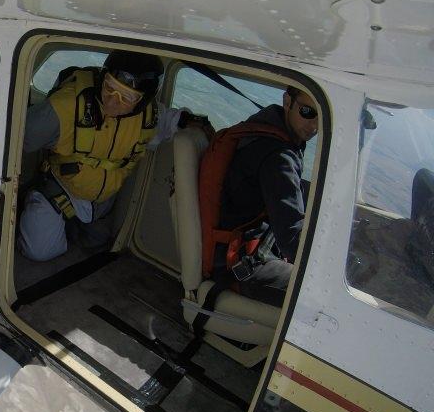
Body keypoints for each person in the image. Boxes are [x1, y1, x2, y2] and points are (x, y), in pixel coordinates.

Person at [19, 50, 211, 261]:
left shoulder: (148, 116)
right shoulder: (64, 107)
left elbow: (173, 120)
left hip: (102, 203)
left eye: (126, 97)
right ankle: (33, 208)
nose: (113, 101)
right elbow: (18, 137)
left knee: (97, 246)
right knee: (40, 251)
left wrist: (196, 124)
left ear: (143, 102)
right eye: (110, 88)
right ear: (102, 78)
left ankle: (70, 227)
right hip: (58, 190)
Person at [214, 86, 318, 304]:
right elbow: (291, 240)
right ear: (287, 102)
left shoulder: (267, 128)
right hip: (240, 264)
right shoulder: (278, 156)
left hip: (246, 246)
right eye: (308, 112)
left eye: (323, 118)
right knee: (319, 291)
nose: (315, 125)